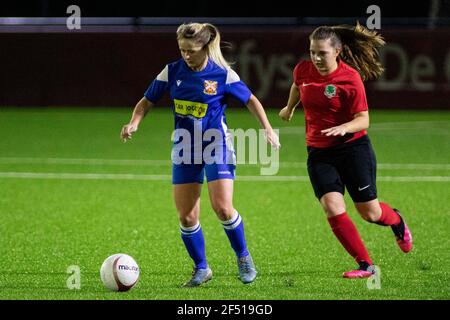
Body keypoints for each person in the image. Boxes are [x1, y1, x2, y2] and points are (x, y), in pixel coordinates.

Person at [121, 22, 280, 287]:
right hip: (184, 147)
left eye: (191, 50)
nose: (185, 55)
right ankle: (201, 268)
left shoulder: (221, 74)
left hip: (216, 143)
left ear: (205, 47)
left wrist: (267, 129)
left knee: (223, 208)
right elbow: (146, 101)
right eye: (182, 50)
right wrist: (134, 122)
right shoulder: (172, 71)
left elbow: (251, 99)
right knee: (186, 217)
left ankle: (243, 257)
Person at [279, 23, 413, 278]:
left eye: (322, 53)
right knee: (332, 206)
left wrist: (344, 127)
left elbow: (363, 119)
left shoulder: (349, 77)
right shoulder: (303, 70)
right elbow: (298, 85)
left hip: (353, 149)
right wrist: (290, 107)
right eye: (312, 52)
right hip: (319, 153)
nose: (316, 58)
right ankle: (366, 266)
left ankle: (396, 220)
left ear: (337, 51)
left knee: (370, 213)